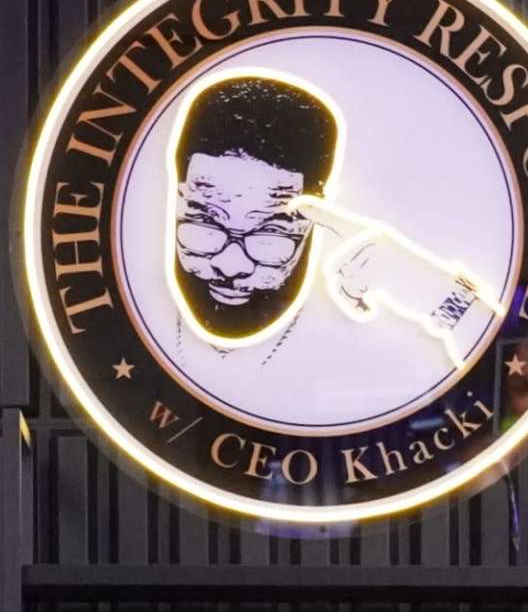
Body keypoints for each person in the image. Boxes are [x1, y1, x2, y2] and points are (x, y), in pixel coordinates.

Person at [154, 70, 498, 425]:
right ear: (174, 202)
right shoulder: (118, 337)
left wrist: (445, 301)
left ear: (312, 219)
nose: (231, 265)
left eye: (269, 233)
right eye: (207, 223)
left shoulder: (381, 358)